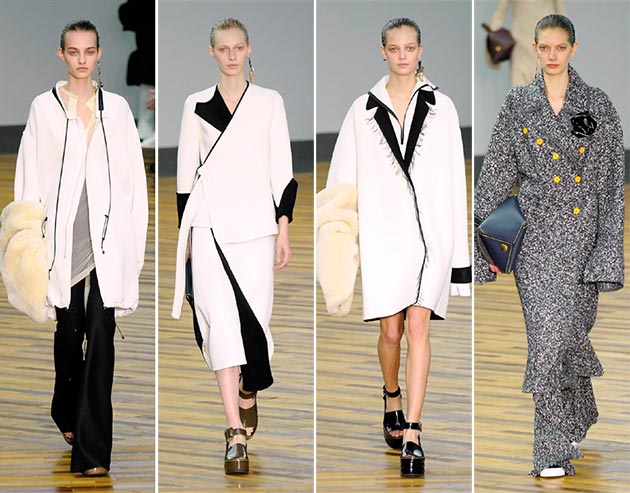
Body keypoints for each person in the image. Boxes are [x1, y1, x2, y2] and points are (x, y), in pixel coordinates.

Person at [317, 18, 471, 477]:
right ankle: (391, 395)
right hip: (384, 235)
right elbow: (341, 185)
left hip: (431, 237)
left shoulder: (443, 107)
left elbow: (455, 180)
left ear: (421, 50)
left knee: (419, 325)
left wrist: (458, 259)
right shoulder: (362, 110)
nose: (402, 55)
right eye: (394, 48)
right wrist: (338, 251)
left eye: (409, 47)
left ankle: (414, 433)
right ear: (382, 51)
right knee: (391, 331)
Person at [474, 14, 624, 478]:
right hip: (536, 238)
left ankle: (575, 414)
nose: (553, 55)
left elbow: (610, 187)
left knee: (570, 337)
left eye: (561, 47)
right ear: (534, 49)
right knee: (546, 338)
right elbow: (497, 172)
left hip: (582, 239)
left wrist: (608, 250)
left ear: (574, 49)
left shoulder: (596, 105)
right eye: (545, 47)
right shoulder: (518, 105)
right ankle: (550, 449)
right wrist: (483, 246)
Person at [13, 20, 148, 475]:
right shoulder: (44, 109)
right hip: (61, 239)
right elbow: (28, 177)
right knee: (69, 334)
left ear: (99, 53)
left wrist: (134, 244)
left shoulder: (118, 110)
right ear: (62, 54)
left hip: (109, 240)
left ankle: (92, 453)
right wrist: (28, 242)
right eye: (74, 52)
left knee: (102, 334)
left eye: (89, 51)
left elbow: (134, 181)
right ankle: (65, 405)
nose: (82, 60)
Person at [171, 18, 298, 475]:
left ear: (248, 49)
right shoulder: (196, 104)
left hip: (256, 227)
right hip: (208, 225)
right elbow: (185, 174)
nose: (230, 56)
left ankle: (249, 389)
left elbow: (281, 167)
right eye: (222, 49)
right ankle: (234, 432)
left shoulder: (269, 102)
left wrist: (284, 226)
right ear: (212, 52)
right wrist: (185, 235)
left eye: (237, 48)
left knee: (255, 326)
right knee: (221, 326)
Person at [487, 0, 566, 87]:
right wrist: (492, 44)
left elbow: (561, 14)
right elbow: (500, 13)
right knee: (519, 90)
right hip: (520, 47)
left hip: (546, 46)